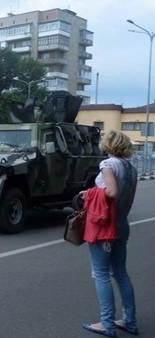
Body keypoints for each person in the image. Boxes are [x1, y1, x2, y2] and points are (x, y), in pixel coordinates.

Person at [79, 130, 138, 337]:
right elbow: (127, 199)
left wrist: (90, 193)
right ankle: (129, 321)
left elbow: (111, 192)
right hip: (122, 224)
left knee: (101, 274)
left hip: (104, 227)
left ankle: (107, 323)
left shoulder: (107, 165)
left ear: (108, 145)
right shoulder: (131, 168)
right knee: (120, 273)